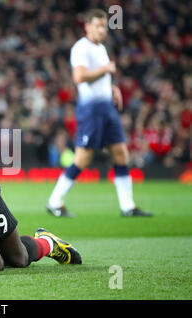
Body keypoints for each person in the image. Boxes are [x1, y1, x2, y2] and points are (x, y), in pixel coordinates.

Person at [46, 9, 152, 217]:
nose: (102, 30)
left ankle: (128, 206)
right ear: (87, 26)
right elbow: (79, 76)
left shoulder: (101, 48)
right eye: (98, 26)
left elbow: (100, 74)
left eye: (104, 26)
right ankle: (54, 202)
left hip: (106, 108)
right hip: (91, 109)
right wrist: (105, 70)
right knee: (83, 159)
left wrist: (111, 87)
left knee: (121, 153)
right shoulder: (81, 48)